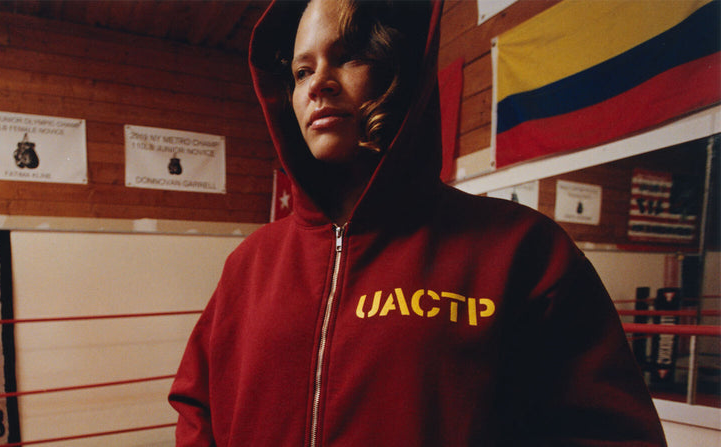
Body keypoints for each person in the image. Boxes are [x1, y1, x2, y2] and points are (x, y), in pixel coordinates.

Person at [168, 0, 668, 445]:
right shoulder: (249, 263)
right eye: (301, 71)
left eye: (345, 56)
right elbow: (197, 401)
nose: (318, 82)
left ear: (394, 70)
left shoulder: (522, 250)